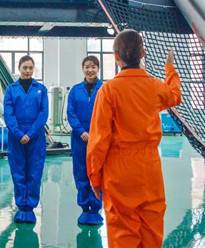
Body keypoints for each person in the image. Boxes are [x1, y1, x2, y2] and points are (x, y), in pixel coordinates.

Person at [87, 30, 181, 247]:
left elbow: (99, 138)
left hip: (119, 170)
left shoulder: (108, 91)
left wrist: (95, 175)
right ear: (143, 54)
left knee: (123, 231)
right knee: (151, 228)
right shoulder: (155, 87)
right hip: (150, 168)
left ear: (116, 56)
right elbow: (175, 96)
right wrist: (170, 68)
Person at [3, 55, 48, 224]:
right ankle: (21, 207)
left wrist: (30, 133)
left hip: (36, 137)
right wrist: (18, 133)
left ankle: (30, 208)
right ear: (19, 68)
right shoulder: (11, 89)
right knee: (18, 171)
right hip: (16, 136)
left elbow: (43, 113)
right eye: (25, 68)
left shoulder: (41, 89)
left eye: (30, 68)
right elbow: (8, 113)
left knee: (35, 172)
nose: (28, 71)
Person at [67, 55, 104, 225]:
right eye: (87, 67)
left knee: (97, 172)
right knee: (80, 172)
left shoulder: (104, 89)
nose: (90, 70)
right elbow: (71, 112)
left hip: (99, 139)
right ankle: (84, 208)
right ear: (83, 69)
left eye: (93, 67)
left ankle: (95, 209)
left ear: (98, 69)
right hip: (79, 139)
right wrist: (80, 131)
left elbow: (108, 113)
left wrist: (98, 133)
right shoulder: (75, 90)